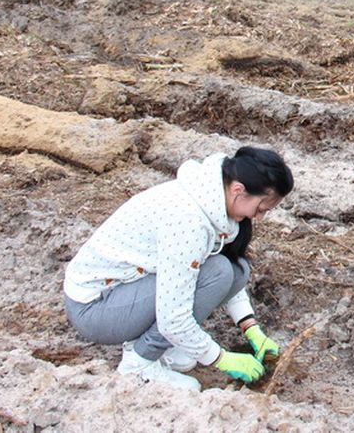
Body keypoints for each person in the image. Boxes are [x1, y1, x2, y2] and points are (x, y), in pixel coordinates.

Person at [63, 146, 293, 392]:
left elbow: (224, 274)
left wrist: (251, 328)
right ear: (238, 189)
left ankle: (157, 345)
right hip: (96, 309)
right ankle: (139, 363)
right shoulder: (187, 220)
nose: (260, 218)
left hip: (129, 289)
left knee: (237, 271)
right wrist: (221, 358)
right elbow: (173, 317)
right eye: (261, 209)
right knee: (217, 273)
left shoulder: (212, 203)